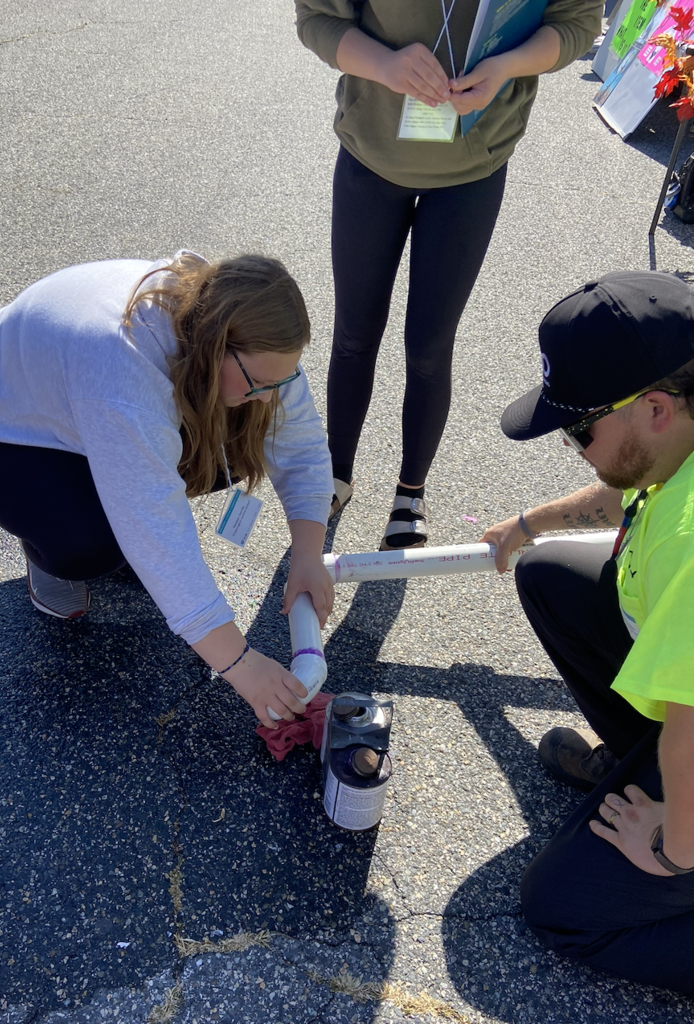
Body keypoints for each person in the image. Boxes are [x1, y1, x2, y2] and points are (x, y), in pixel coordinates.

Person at [0, 250, 335, 730]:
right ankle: (52, 560)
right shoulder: (124, 370)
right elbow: (154, 527)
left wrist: (308, 554)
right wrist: (242, 666)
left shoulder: (255, 346)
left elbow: (302, 448)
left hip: (83, 410)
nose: (269, 393)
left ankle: (108, 514)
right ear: (217, 345)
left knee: (233, 444)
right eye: (261, 382)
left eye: (281, 380)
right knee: (95, 543)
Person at [294, 0, 601, 549]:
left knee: (431, 346)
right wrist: (385, 65)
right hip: (372, 156)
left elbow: (578, 22)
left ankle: (410, 491)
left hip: (472, 168)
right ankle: (336, 475)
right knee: (354, 334)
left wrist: (508, 64)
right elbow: (317, 19)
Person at [481, 270, 694, 994]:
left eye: (580, 428)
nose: (575, 445)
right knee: (548, 575)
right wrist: (528, 524)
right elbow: (632, 474)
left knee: (559, 908)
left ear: (656, 408)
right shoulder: (677, 431)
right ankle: (640, 763)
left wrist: (674, 847)